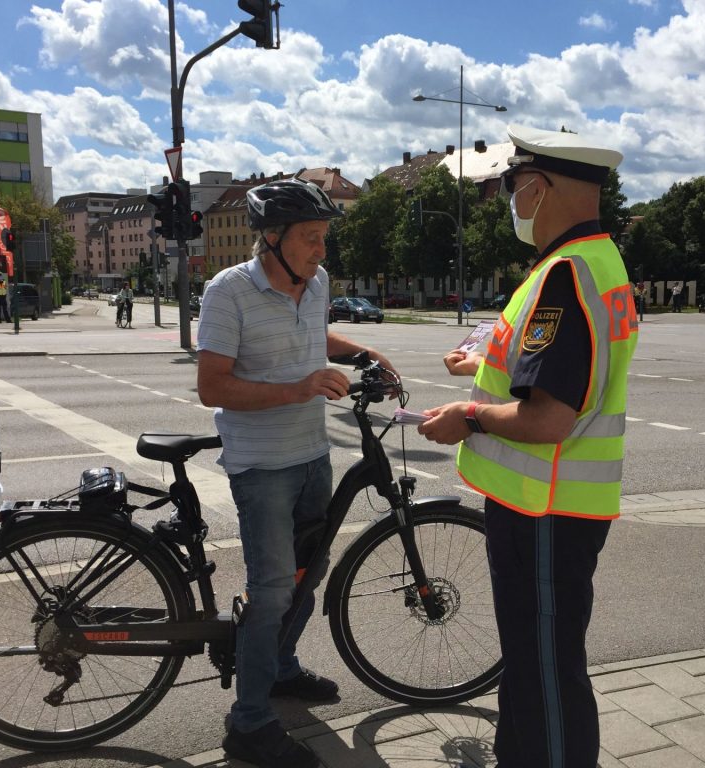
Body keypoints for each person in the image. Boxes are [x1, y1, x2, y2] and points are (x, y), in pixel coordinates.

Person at [418, 124, 638, 768]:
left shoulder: (565, 275)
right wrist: (485, 363)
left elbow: (548, 418)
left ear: (539, 188)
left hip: (545, 510)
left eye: (514, 186)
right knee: (534, 665)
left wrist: (470, 416)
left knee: (546, 678)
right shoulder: (597, 262)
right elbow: (563, 366)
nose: (511, 201)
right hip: (553, 508)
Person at [196, 178, 397, 768]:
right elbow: (214, 385)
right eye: (311, 238)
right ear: (272, 238)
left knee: (309, 573)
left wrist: (363, 354)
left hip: (312, 456)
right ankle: (249, 723)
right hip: (262, 465)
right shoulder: (226, 292)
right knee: (273, 590)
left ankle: (278, 669)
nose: (321, 250)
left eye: (323, 238)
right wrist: (300, 388)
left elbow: (316, 338)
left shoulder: (316, 283)